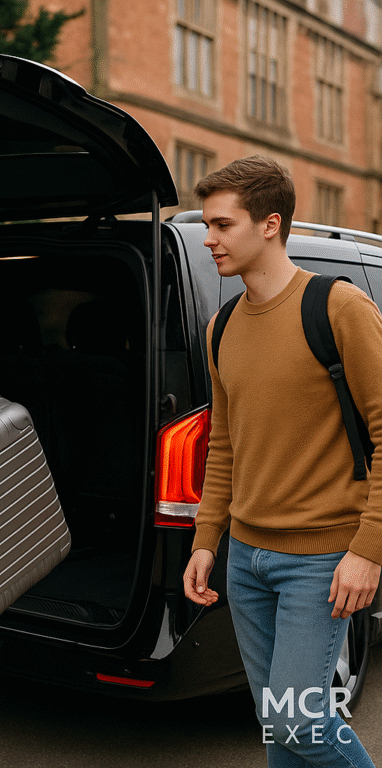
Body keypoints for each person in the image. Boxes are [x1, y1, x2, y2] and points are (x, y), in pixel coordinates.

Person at [182, 156, 381, 767]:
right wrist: (206, 540)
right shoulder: (221, 329)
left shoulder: (338, 308)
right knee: (279, 721)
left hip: (321, 559)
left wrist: (368, 550)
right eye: (208, 226)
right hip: (246, 559)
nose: (210, 239)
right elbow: (225, 446)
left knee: (300, 721)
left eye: (222, 225)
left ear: (270, 224)